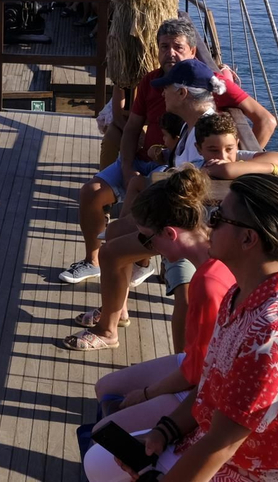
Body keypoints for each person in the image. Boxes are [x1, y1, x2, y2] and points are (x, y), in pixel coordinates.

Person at [81, 174, 278, 482]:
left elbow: (221, 445)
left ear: (248, 239)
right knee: (99, 460)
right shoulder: (240, 293)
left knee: (103, 465)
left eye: (217, 218)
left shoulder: (275, 334)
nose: (208, 226)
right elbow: (210, 386)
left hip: (265, 471)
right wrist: (163, 432)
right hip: (222, 443)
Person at [61, 18, 275, 284]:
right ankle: (93, 261)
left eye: (178, 47)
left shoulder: (208, 83)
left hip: (175, 170)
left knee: (136, 210)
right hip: (149, 158)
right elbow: (132, 128)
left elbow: (266, 121)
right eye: (164, 47)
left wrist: (230, 161)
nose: (170, 53)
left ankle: (136, 260)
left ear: (193, 52)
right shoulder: (152, 81)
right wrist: (127, 168)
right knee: (91, 193)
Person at [85, 167, 235, 441]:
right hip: (198, 364)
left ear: (169, 233)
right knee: (105, 388)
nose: (146, 247)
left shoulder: (208, 284)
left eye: (147, 238)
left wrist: (145, 394)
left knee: (104, 433)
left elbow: (197, 373)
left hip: (209, 386)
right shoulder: (213, 251)